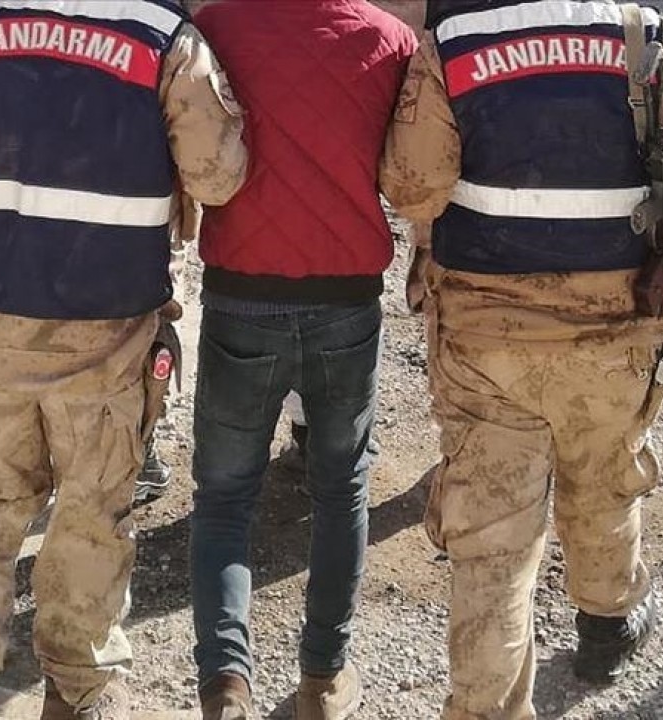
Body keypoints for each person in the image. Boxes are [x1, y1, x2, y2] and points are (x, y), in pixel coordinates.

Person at [0, 1, 247, 717]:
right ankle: (74, 691)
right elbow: (217, 177)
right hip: (103, 338)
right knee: (90, 520)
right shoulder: (163, 38)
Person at [380, 1, 663, 718]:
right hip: (618, 331)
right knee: (605, 480)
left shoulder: (451, 48)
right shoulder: (646, 38)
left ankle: (485, 708)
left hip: (486, 346)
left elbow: (412, 185)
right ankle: (609, 622)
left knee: (492, 544)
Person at [186, 2, 415, 718]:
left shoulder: (216, 29)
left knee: (224, 497)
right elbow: (409, 174)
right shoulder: (388, 40)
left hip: (240, 293)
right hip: (345, 296)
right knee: (341, 488)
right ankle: (323, 678)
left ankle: (225, 683)